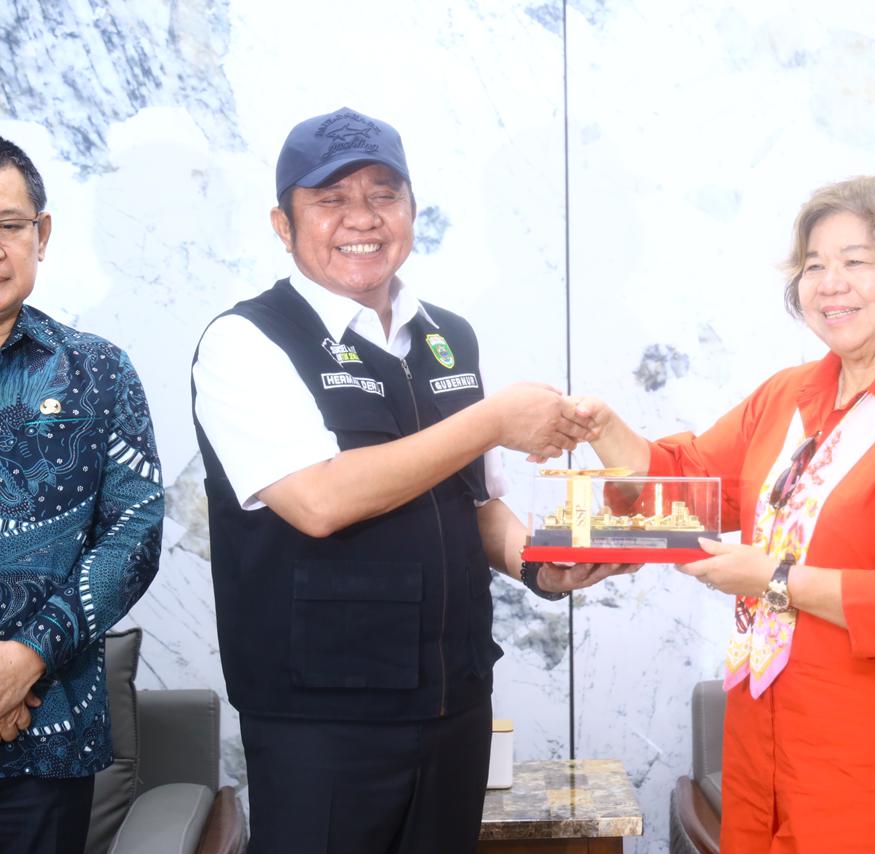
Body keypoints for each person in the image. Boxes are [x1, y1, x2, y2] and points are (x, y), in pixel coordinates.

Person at [191, 107, 626, 854]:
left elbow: (477, 504)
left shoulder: (448, 336)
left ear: (412, 211)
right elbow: (319, 500)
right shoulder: (246, 340)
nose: (362, 218)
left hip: (456, 702)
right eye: (331, 199)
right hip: (322, 723)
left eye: (383, 195)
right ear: (282, 224)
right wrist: (492, 420)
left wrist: (541, 564)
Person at [572, 175, 875, 853]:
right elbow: (685, 486)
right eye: (814, 265)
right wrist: (604, 429)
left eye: (855, 261)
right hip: (771, 746)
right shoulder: (788, 397)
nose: (830, 284)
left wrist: (772, 578)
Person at [0, 137, 164, 854]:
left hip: (46, 735)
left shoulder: (97, 371)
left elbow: (136, 532)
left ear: (42, 234)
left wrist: (27, 657)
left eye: (9, 225)